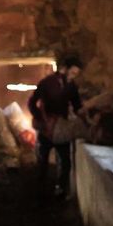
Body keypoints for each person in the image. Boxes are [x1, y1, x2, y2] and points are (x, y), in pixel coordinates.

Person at [27, 55, 84, 197]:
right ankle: (40, 191)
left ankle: (60, 190)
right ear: (65, 69)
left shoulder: (72, 87)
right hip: (46, 128)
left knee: (65, 161)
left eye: (76, 74)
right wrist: (40, 118)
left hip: (61, 129)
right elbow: (32, 102)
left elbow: (77, 107)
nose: (73, 76)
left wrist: (85, 117)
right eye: (73, 73)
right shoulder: (47, 82)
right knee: (42, 161)